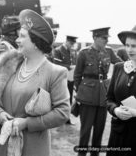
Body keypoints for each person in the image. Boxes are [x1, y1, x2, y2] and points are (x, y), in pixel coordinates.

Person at [0, 9, 70, 156]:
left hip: (32, 146)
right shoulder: (9, 62)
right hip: (1, 143)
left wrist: (26, 123)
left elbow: (62, 112)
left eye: (22, 36)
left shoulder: (55, 73)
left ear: (36, 43)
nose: (17, 40)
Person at [74, 27, 122, 156]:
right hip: (87, 96)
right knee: (85, 131)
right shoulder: (83, 53)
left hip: (103, 96)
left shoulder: (109, 51)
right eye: (103, 38)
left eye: (107, 38)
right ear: (94, 38)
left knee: (99, 131)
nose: (106, 41)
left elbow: (121, 65)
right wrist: (80, 94)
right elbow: (77, 76)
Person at [106, 25, 136, 156]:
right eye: (127, 45)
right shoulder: (119, 68)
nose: (130, 50)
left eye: (134, 46)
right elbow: (109, 99)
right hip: (118, 133)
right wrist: (115, 110)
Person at [53, 36, 78, 104]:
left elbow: (74, 61)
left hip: (70, 79)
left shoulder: (72, 51)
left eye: (73, 44)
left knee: (69, 99)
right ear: (67, 41)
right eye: (71, 44)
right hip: (61, 79)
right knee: (61, 100)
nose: (72, 45)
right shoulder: (58, 50)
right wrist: (69, 66)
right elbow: (56, 65)